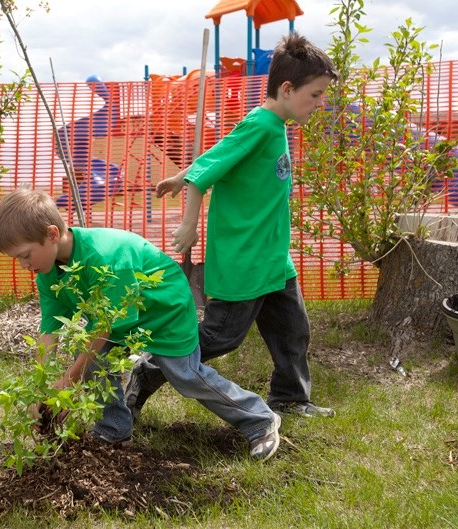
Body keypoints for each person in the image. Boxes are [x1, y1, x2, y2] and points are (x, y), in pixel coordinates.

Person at [126, 32, 338, 420]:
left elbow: (218, 157)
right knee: (220, 338)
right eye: (316, 94)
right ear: (288, 89)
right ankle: (149, 368)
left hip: (272, 259)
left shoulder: (273, 126)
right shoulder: (260, 124)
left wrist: (183, 173)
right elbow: (202, 179)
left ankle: (290, 398)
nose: (320, 103)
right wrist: (189, 224)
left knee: (292, 331)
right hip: (244, 262)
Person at [0, 187, 281, 460]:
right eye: (17, 259)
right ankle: (114, 431)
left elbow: (103, 327)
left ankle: (259, 419)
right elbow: (49, 330)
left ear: (52, 234)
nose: (24, 265)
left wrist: (69, 379)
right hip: (120, 318)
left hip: (164, 311)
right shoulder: (48, 273)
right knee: (95, 365)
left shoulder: (107, 258)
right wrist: (43, 390)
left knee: (187, 376)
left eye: (25, 255)